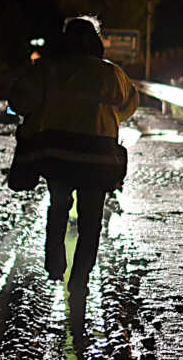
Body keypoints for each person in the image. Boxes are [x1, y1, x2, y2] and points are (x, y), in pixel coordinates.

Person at [8, 16, 139, 304]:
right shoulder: (112, 74)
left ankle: (55, 262)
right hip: (98, 159)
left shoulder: (48, 70)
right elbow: (129, 106)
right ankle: (80, 278)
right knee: (91, 220)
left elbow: (18, 101)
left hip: (58, 156)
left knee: (59, 205)